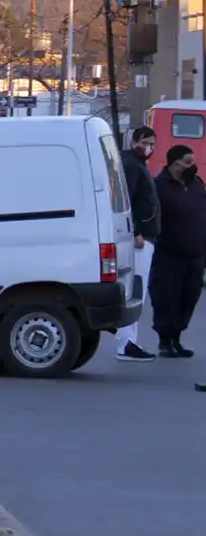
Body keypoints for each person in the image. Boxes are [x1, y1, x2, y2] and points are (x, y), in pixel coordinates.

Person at [150, 144, 206, 358]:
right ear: (174, 164)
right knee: (167, 297)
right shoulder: (159, 186)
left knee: (189, 297)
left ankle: (177, 338)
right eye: (188, 162)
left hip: (195, 255)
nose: (192, 166)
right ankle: (165, 340)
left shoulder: (196, 184)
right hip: (169, 255)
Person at [116, 126, 160, 361]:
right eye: (145, 142)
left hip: (143, 237)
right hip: (139, 239)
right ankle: (126, 343)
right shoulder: (132, 165)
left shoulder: (136, 164)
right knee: (135, 291)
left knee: (136, 291)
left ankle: (128, 341)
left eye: (152, 143)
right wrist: (136, 232)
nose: (148, 147)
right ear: (134, 141)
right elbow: (127, 199)